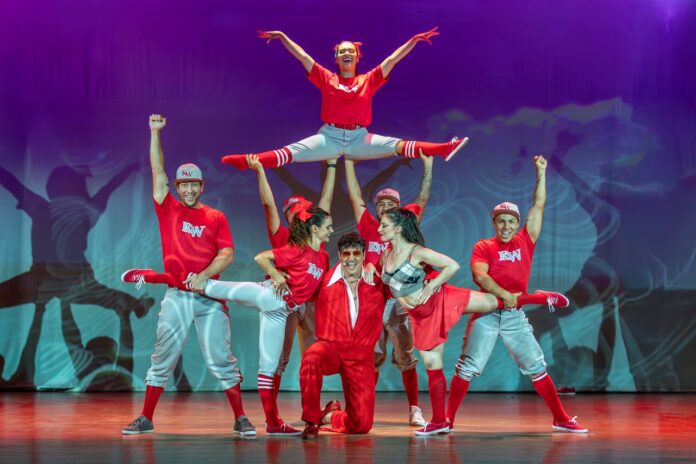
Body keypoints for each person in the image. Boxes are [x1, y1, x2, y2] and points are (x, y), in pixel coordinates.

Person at [378, 208, 568, 435]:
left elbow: (452, 265)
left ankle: (538, 297)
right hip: (420, 316)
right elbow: (384, 277)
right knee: (432, 365)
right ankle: (440, 422)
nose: (379, 229)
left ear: (398, 228)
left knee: (495, 301)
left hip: (440, 300)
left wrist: (432, 284)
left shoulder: (416, 252)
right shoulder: (386, 255)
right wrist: (370, 268)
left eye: (384, 225)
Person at [121, 114, 254, 436]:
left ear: (202, 186)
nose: (190, 189)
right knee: (162, 357)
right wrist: (155, 133)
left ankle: (240, 417)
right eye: (184, 184)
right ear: (177, 187)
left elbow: (227, 254)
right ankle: (147, 417)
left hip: (208, 297)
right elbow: (157, 170)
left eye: (195, 184)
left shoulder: (215, 216)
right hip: (178, 297)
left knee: (221, 359)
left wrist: (204, 275)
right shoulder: (168, 208)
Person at [446, 155, 588, 433]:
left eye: (511, 221)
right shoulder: (484, 245)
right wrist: (503, 293)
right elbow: (480, 276)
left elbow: (539, 205)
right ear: (494, 223)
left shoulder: (526, 239)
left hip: (514, 315)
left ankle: (560, 418)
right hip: (486, 312)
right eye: (501, 221)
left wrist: (541, 172)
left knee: (536, 366)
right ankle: (447, 420)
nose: (507, 226)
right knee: (467, 368)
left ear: (517, 223)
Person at [220, 28, 468, 171]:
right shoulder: (326, 77)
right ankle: (249, 161)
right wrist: (284, 37)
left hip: (360, 138)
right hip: (329, 137)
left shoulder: (369, 79)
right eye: (342, 52)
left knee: (398, 145)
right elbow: (303, 56)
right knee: (290, 152)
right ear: (336, 59)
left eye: (351, 51)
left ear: (357, 57)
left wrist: (412, 41)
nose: (346, 53)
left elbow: (392, 59)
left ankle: (445, 149)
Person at [197, 206, 332, 436]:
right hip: (269, 294)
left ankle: (272, 422)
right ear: (315, 228)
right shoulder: (298, 249)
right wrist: (277, 275)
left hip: (280, 312)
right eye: (328, 227)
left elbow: (316, 290)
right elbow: (262, 257)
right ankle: (161, 278)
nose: (331, 230)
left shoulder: (323, 257)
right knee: (212, 287)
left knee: (268, 367)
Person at [246, 153, 336, 420]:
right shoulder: (282, 236)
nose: (297, 215)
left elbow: (326, 202)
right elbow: (268, 204)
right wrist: (260, 171)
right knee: (280, 360)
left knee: (312, 361)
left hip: (310, 307)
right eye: (292, 213)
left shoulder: (319, 246)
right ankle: (271, 414)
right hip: (285, 304)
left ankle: (312, 412)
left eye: (301, 211)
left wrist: (331, 165)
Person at [345, 155, 433, 426]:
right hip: (372, 302)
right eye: (380, 203)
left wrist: (428, 166)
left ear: (398, 209)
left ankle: (414, 408)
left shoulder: (405, 229)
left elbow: (422, 200)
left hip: (398, 301)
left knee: (406, 357)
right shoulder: (370, 227)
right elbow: (355, 196)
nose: (384, 207)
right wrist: (349, 163)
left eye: (390, 204)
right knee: (370, 357)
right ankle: (364, 407)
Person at [299, 232, 389, 439]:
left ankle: (329, 416)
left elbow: (399, 266)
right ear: (339, 255)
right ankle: (312, 421)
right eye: (346, 253)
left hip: (360, 358)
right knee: (311, 357)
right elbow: (299, 287)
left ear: (364, 255)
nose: (351, 258)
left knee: (361, 425)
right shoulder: (324, 281)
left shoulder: (378, 282)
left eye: (356, 253)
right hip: (331, 349)